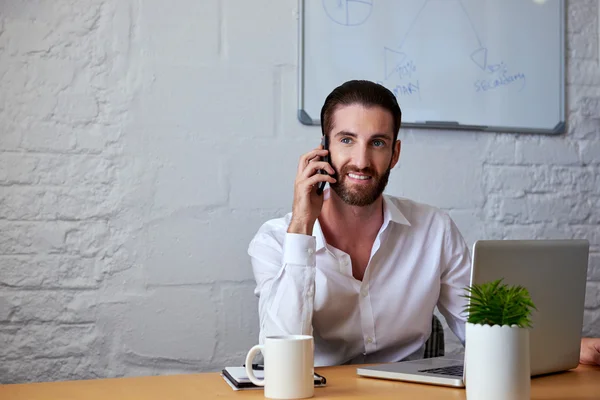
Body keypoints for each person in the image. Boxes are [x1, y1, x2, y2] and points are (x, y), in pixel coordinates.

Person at [248, 79, 600, 367]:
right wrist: (302, 227)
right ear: (323, 149)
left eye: (378, 143)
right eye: (346, 140)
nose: (361, 160)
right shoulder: (276, 240)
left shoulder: (434, 230)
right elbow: (278, 356)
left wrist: (563, 347)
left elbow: (477, 326)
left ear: (394, 154)